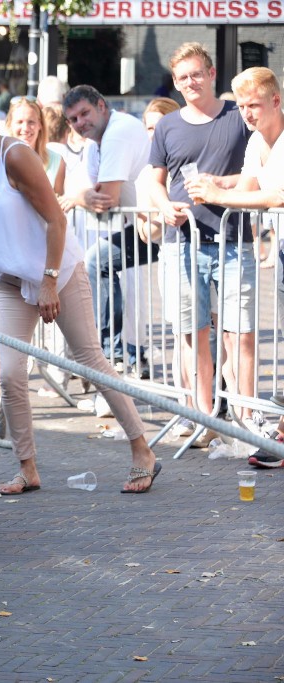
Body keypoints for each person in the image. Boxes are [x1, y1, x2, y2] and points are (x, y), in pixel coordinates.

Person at [0, 80, 161, 495]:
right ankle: (27, 468)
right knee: (9, 374)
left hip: (57, 270)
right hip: (9, 279)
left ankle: (142, 450)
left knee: (89, 360)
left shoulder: (17, 156)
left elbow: (56, 221)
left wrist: (48, 281)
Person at [147, 43, 253, 444]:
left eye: (196, 74)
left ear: (211, 74)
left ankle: (244, 421)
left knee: (239, 335)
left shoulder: (238, 116)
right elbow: (155, 180)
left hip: (232, 240)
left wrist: (221, 187)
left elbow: (258, 169)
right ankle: (205, 420)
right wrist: (163, 207)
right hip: (182, 243)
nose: (190, 82)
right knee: (194, 336)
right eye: (182, 77)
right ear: (175, 83)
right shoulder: (169, 125)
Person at [182, 67, 284, 464]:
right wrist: (218, 184)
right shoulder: (258, 140)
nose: (246, 114)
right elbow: (248, 186)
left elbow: (276, 196)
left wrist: (218, 196)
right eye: (241, 106)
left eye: (253, 105)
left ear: (275, 100)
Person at [63, 85, 154, 383]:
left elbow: (104, 200)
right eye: (73, 119)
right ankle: (107, 355)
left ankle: (107, 355)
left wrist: (80, 198)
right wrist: (82, 196)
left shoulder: (117, 132)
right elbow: (85, 190)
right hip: (143, 225)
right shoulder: (94, 143)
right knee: (96, 263)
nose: (80, 123)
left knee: (96, 261)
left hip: (163, 225)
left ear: (102, 106)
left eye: (85, 113)